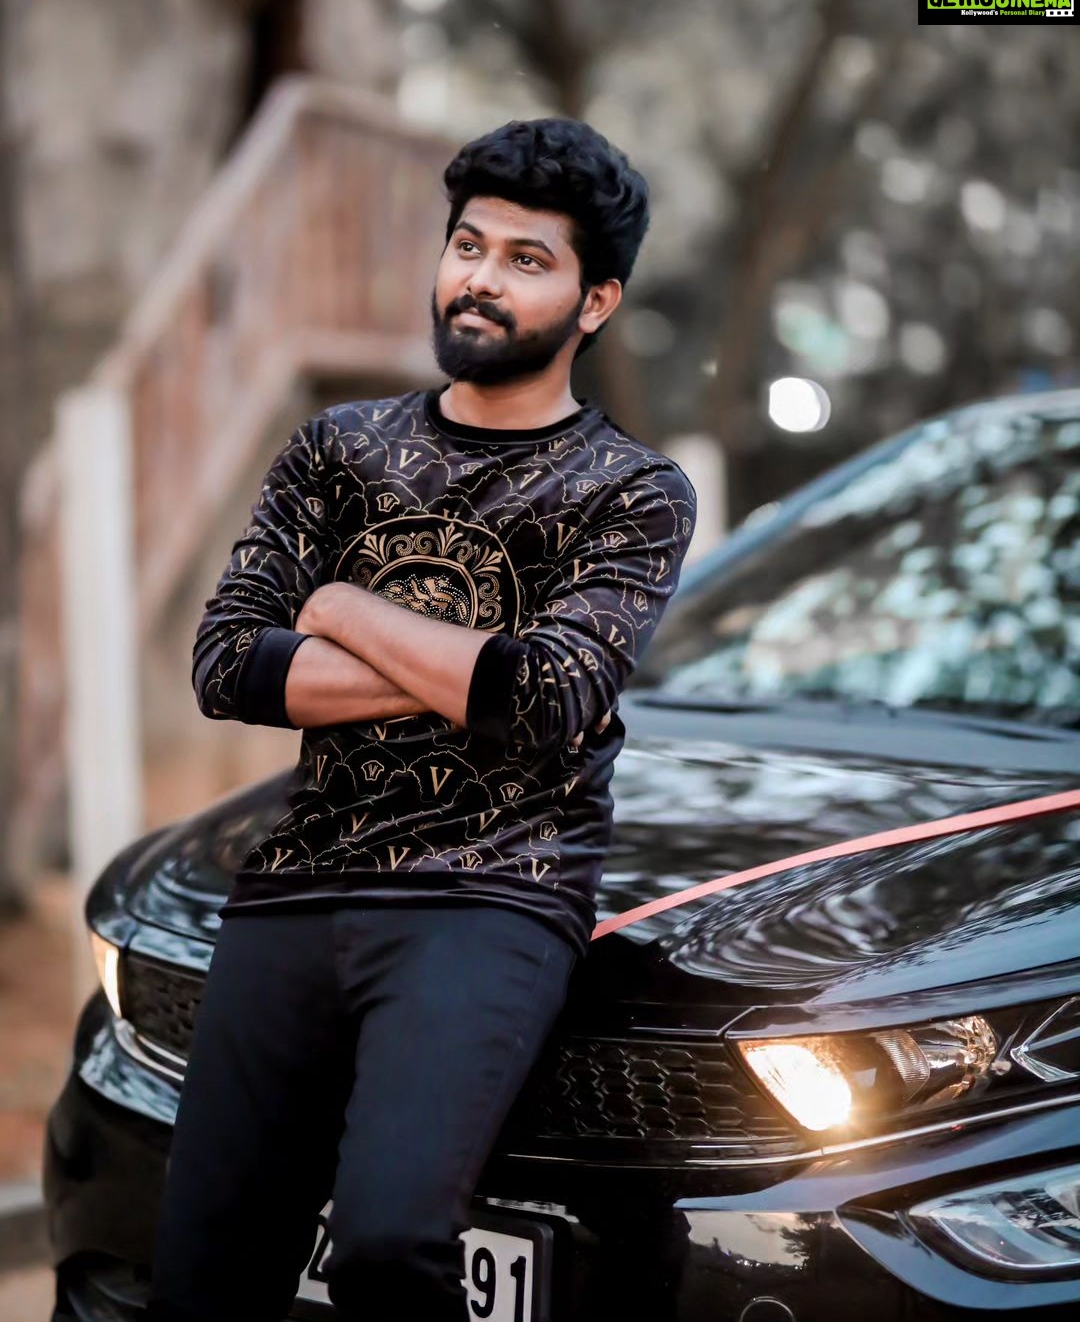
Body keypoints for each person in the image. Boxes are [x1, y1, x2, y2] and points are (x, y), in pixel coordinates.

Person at [148, 115, 697, 1322]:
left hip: (491, 892)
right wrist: (469, 668)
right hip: (300, 882)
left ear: (594, 301)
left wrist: (341, 604)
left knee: (391, 1248)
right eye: (467, 245)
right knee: (202, 1271)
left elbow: (549, 699)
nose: (478, 281)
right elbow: (230, 665)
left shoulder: (632, 491)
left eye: (525, 260)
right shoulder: (338, 451)